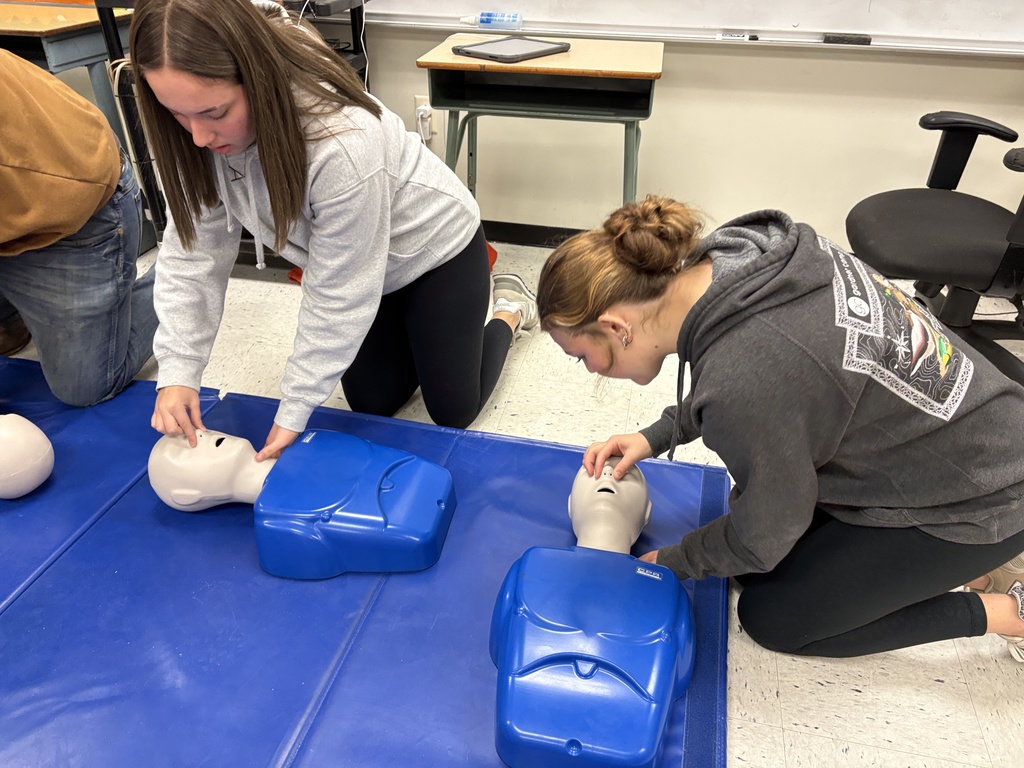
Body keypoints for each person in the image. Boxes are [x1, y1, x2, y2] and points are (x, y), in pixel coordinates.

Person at [536, 194, 1024, 661]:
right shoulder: (739, 257)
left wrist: (673, 561)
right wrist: (657, 435)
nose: (590, 370)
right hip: (974, 433)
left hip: (985, 497)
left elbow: (765, 528)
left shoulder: (744, 378)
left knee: (773, 616)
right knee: (760, 568)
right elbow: (782, 383)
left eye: (582, 355)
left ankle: (1006, 611)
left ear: (618, 326)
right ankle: (954, 572)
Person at [129, 0, 537, 462]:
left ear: (257, 79)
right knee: (372, 403)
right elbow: (193, 257)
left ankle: (510, 309)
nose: (199, 136)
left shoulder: (341, 139)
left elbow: (338, 290)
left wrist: (294, 408)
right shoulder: (188, 134)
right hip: (366, 267)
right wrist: (178, 370)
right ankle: (422, 333)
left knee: (453, 410)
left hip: (435, 251)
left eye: (215, 112)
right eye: (178, 114)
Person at [0, 50, 156, 405]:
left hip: (75, 209)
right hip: (12, 214)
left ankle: (186, 271)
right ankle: (11, 317)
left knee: (85, 386)